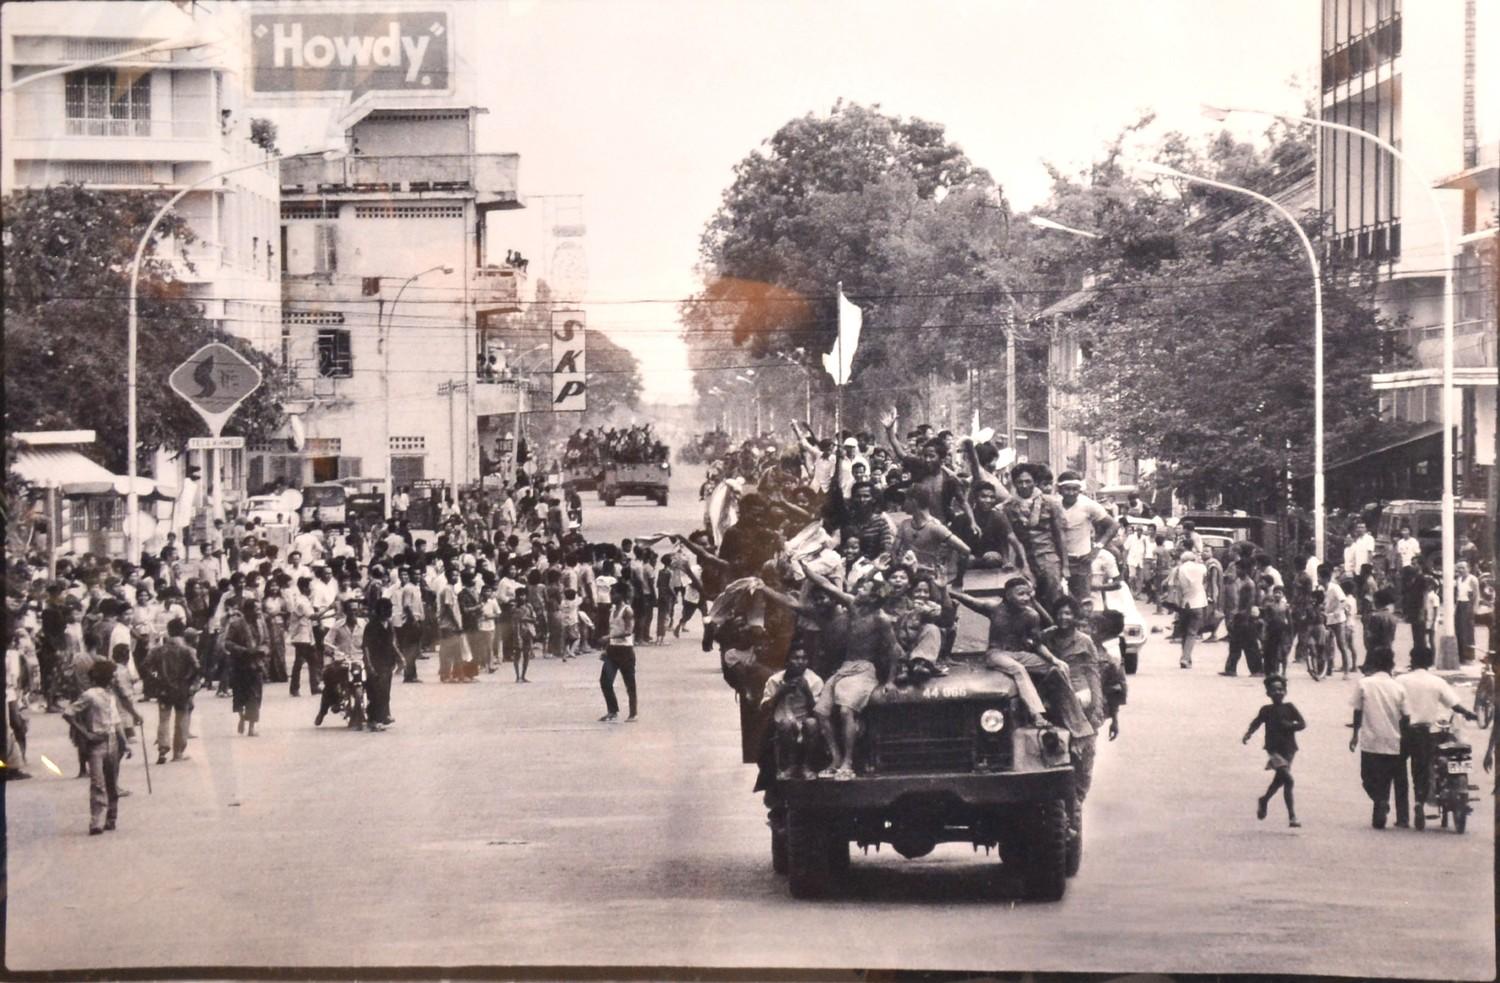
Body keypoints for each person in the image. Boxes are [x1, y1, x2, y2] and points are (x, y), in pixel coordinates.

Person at [949, 577, 1093, 739]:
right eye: (1020, 594)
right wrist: (947, 591)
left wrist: (1055, 660)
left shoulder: (1032, 616)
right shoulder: (995, 608)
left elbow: (1037, 644)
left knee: (1057, 668)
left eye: (1027, 594)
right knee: (1019, 670)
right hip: (996, 653)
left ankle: (1071, 714)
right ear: (1008, 595)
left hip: (1019, 654)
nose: (1025, 598)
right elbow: (969, 600)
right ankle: (1037, 714)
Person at [1399, 644, 1478, 829]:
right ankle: (1419, 803)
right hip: (1425, 733)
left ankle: (1402, 816)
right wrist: (1468, 713)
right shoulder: (1436, 682)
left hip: (1404, 731)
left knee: (1400, 773)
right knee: (1422, 771)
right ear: (1429, 662)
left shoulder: (1401, 680)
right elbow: (1454, 704)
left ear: (1411, 660)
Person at [62, 659, 137, 835]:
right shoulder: (89, 695)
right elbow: (69, 713)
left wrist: (124, 744)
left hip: (111, 741)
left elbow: (116, 722)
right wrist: (86, 733)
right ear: (106, 677)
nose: (114, 679)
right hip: (97, 743)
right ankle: (97, 820)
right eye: (112, 676)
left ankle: (110, 818)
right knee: (100, 782)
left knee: (108, 782)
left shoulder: (110, 697)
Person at [1349, 645, 1410, 829]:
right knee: (1396, 778)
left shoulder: (1364, 684)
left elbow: (1357, 711)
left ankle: (1380, 799)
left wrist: (1354, 735)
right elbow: (1406, 716)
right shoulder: (1398, 687)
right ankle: (1399, 814)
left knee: (1368, 778)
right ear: (1391, 665)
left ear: (1373, 664)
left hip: (1371, 740)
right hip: (1394, 739)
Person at [1002, 463, 1069, 611]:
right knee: (1026, 602)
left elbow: (1060, 535)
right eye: (1020, 482)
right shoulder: (1008, 507)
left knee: (1054, 599)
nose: (1024, 485)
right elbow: (1007, 537)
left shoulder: (1051, 503)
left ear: (1035, 482)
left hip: (1048, 558)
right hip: (1023, 561)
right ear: (1014, 483)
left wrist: (1065, 566)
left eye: (1028, 481)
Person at [1242, 674, 1304, 827]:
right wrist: (1248, 734)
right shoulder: (1266, 710)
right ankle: (1292, 817)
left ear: (1286, 691)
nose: (1278, 693)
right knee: (1288, 780)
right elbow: (1256, 723)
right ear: (1268, 693)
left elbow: (1302, 724)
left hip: (1290, 749)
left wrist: (1290, 725)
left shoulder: (1290, 708)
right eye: (1274, 690)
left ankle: (1264, 800)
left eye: (1281, 689)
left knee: (1280, 780)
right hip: (1274, 750)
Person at [761, 645, 824, 779]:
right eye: (796, 658)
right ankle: (790, 766)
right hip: (782, 720)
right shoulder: (775, 680)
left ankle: (806, 766)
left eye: (804, 658)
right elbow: (764, 708)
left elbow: (818, 712)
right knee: (786, 724)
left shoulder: (815, 680)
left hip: (805, 720)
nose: (800, 662)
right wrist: (780, 692)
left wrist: (807, 692)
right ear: (787, 661)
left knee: (812, 723)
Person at [1055, 471, 1118, 602]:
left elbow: (1113, 526)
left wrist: (1097, 548)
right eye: (1067, 489)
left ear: (1080, 490)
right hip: (1057, 559)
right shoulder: (1053, 504)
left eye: (1075, 489)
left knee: (1082, 600)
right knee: (1057, 600)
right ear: (1060, 489)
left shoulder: (1088, 505)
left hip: (1081, 560)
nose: (1071, 493)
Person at [143, 620, 198, 764]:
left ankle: (162, 748)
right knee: (181, 719)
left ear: (168, 630)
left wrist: (157, 677)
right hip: (182, 688)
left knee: (164, 719)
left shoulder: (158, 650)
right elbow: (196, 668)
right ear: (183, 631)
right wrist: (189, 681)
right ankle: (178, 753)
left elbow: (146, 666)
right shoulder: (188, 650)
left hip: (163, 688)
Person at [222, 598, 267, 737]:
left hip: (256, 664)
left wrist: (263, 649)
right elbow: (228, 643)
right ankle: (242, 716)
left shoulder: (261, 624)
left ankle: (251, 726)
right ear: (247, 610)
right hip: (240, 664)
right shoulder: (236, 625)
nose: (258, 612)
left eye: (259, 609)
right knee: (240, 694)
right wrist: (243, 650)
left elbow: (267, 641)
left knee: (255, 695)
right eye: (256, 609)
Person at [600, 582, 638, 722]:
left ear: (621, 595)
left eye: (613, 593)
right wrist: (606, 648)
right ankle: (612, 710)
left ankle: (633, 713)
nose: (611, 596)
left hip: (625, 651)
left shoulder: (627, 611)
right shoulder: (612, 611)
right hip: (612, 649)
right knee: (605, 681)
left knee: (630, 683)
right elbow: (612, 629)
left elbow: (629, 631)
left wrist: (610, 637)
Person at [362, 597, 399, 731]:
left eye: (389, 609)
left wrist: (399, 658)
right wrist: (369, 665)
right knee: (376, 692)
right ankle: (373, 719)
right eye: (384, 609)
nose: (387, 612)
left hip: (387, 662)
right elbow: (365, 647)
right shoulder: (371, 626)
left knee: (386, 691)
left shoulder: (389, 624)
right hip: (375, 662)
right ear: (378, 611)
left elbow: (393, 643)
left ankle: (384, 715)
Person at [1173, 551, 1209, 669]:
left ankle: (1186, 658)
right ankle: (1185, 658)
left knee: (1184, 632)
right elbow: (1204, 577)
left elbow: (1173, 584)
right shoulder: (1201, 568)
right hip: (1198, 602)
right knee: (1192, 632)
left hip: (1184, 603)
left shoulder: (1179, 569)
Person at [1455, 561, 1480, 662]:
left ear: (1468, 568)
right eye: (1459, 568)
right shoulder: (1458, 579)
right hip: (1460, 604)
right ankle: (1461, 656)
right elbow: (1458, 594)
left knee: (1468, 631)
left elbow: (1477, 595)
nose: (1460, 570)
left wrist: (1474, 609)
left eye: (1463, 568)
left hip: (1468, 605)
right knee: (1459, 630)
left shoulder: (1472, 579)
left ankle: (1469, 656)